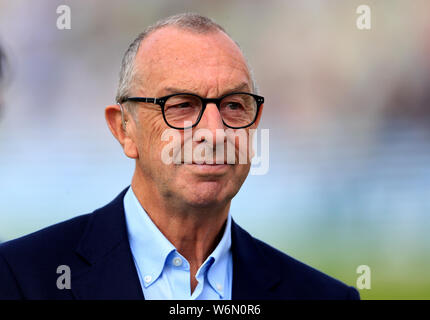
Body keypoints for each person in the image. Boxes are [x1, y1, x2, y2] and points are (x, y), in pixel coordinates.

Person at [0, 13, 359, 300]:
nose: (215, 132)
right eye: (182, 106)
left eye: (234, 106)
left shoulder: (321, 295)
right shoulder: (20, 277)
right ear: (125, 128)